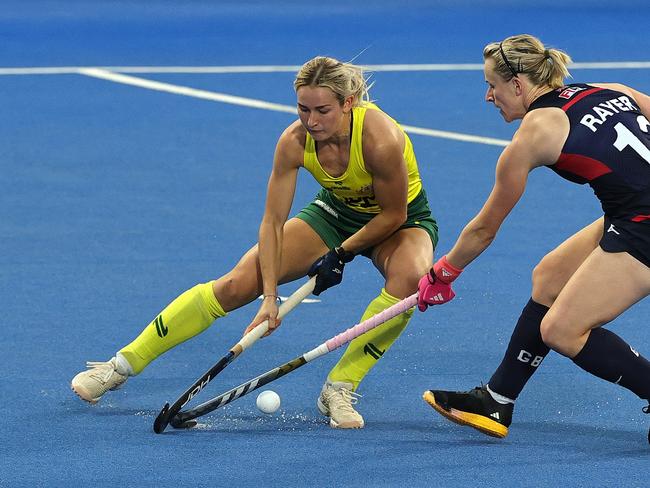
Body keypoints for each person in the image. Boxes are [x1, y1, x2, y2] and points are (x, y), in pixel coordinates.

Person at [71, 55, 438, 429]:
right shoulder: (295, 141)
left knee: (411, 279)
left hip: (400, 222)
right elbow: (272, 222)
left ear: (348, 102)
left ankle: (339, 387)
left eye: (322, 110)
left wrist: (340, 254)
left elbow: (392, 215)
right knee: (236, 283)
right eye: (302, 108)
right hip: (336, 214)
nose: (311, 121)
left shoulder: (381, 138)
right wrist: (268, 298)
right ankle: (120, 366)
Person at [417, 34, 650, 442]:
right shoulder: (607, 90)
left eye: (492, 85)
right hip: (629, 212)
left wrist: (444, 272)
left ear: (518, 85)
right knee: (549, 277)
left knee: (561, 330)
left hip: (643, 224)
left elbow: (485, 228)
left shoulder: (533, 133)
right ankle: (498, 398)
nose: (489, 96)